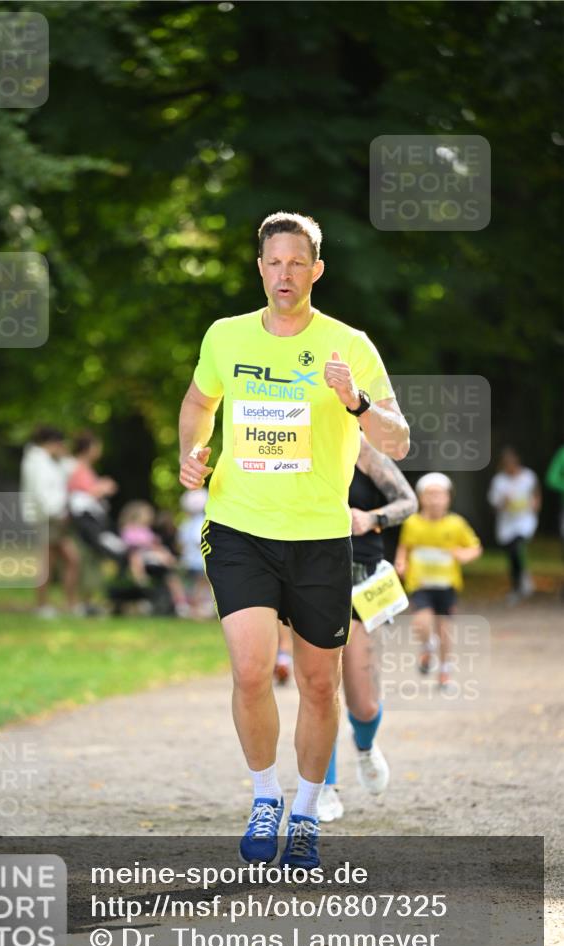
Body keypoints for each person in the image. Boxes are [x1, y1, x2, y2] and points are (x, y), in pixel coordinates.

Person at [178, 211, 409, 869]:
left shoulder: (349, 344)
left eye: (295, 262)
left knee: (316, 683)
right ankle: (263, 797)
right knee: (250, 668)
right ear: (259, 269)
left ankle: (306, 812)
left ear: (316, 270)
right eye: (272, 262)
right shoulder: (225, 337)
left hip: (318, 537)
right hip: (239, 527)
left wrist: (357, 401)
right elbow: (198, 405)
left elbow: (398, 440)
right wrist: (191, 452)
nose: (283, 274)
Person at [319, 436, 417, 822]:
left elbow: (408, 503)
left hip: (361, 578)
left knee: (363, 701)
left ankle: (364, 744)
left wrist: (371, 518)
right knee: (319, 688)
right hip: (312, 573)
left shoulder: (365, 452)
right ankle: (323, 786)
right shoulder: (298, 448)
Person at [394, 473, 482, 689]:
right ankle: (427, 646)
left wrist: (464, 555)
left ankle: (444, 673)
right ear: (420, 498)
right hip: (420, 585)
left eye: (439, 494)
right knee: (420, 622)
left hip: (446, 585)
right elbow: (404, 547)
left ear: (448, 498)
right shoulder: (412, 523)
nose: (434, 499)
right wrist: (400, 563)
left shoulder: (456, 524)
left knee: (445, 631)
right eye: (429, 494)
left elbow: (475, 547)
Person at [19, 426, 80, 618]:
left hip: (55, 517)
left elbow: (72, 470)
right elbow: (41, 493)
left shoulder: (52, 461)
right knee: (49, 562)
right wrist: (56, 512)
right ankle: (43, 605)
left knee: (68, 559)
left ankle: (69, 604)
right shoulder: (36, 462)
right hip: (46, 518)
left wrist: (65, 455)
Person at [67, 432, 120, 615]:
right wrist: (103, 487)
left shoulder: (85, 468)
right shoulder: (77, 467)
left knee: (92, 561)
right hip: (84, 523)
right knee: (83, 561)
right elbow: (81, 493)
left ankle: (88, 602)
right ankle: (78, 603)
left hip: (92, 520)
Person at [487, 448, 541, 605]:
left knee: (517, 547)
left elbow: (536, 492)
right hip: (507, 523)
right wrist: (504, 502)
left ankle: (520, 584)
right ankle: (521, 580)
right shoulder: (499, 481)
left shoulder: (528, 476)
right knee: (512, 554)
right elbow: (494, 505)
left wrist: (536, 504)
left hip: (525, 520)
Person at [119, 500, 190, 617]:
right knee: (135, 557)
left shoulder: (147, 531)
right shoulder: (129, 529)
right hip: (140, 556)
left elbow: (155, 543)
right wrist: (150, 545)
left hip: (152, 557)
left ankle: (181, 603)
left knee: (169, 570)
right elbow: (131, 543)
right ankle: (141, 580)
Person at [178, 489, 215, 619]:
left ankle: (197, 609)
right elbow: (199, 541)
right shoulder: (202, 521)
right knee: (201, 585)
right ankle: (197, 610)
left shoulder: (186, 522)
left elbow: (181, 543)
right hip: (199, 560)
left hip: (189, 559)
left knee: (196, 585)